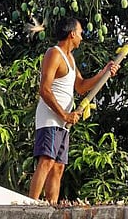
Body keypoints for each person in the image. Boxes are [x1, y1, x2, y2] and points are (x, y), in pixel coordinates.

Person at [28, 17, 119, 204]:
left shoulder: (70, 59)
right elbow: (44, 90)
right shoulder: (54, 54)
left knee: (58, 167)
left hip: (63, 121)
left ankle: (51, 207)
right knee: (46, 161)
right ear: (72, 34)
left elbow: (81, 86)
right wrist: (64, 115)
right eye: (80, 33)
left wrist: (105, 72)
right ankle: (31, 206)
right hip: (51, 118)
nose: (81, 38)